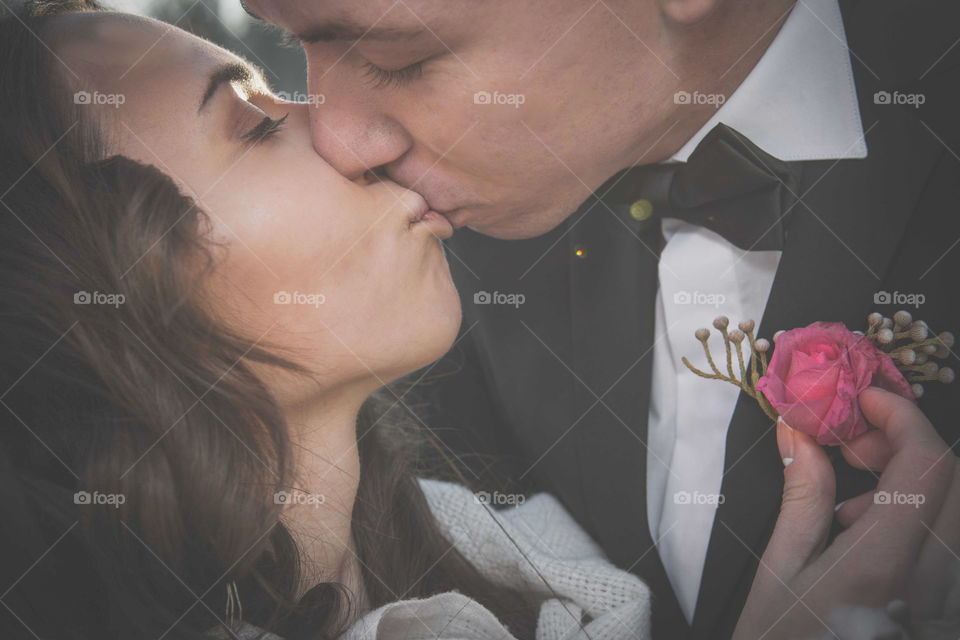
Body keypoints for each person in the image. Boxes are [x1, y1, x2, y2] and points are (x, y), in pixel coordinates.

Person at [0, 2, 957, 640]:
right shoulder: (448, 273)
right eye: (272, 90)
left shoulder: (500, 553)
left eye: (395, 55)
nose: (338, 132)